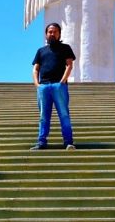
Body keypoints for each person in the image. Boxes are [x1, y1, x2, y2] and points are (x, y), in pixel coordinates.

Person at [30, 22, 77, 151]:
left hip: (58, 86)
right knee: (43, 116)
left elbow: (69, 65)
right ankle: (41, 142)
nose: (52, 34)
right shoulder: (41, 51)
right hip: (43, 86)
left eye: (55, 32)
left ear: (59, 34)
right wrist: (37, 84)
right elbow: (35, 69)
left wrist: (62, 81)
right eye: (50, 32)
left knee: (64, 114)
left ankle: (68, 142)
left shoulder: (65, 48)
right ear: (46, 34)